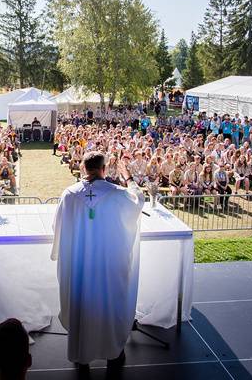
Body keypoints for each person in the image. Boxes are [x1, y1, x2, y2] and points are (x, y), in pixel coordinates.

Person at [51, 152, 145, 372]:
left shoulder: (69, 195)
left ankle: (81, 356)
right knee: (110, 304)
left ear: (83, 169)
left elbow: (58, 228)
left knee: (82, 303)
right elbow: (138, 201)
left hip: (79, 265)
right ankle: (113, 353)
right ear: (104, 169)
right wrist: (128, 178)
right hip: (108, 264)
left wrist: (59, 251)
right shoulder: (118, 194)